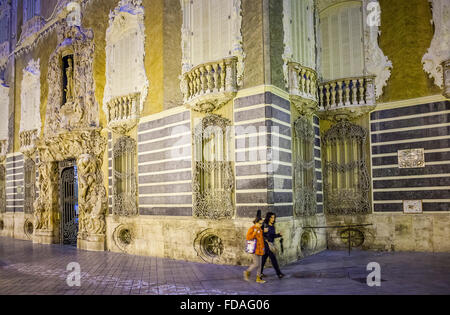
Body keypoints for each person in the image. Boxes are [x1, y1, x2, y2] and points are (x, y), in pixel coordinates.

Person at [243, 212, 266, 284]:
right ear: (256, 222)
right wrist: (254, 232)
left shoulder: (260, 229)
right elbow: (248, 237)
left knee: (260, 264)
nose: (261, 225)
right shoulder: (252, 229)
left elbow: (261, 239)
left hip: (260, 249)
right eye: (260, 223)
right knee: (256, 264)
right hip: (255, 249)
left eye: (261, 223)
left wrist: (263, 248)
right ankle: (247, 271)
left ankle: (258, 278)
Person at [261, 212, 285, 279]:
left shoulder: (272, 226)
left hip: (270, 244)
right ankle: (279, 274)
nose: (273, 219)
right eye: (271, 217)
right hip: (266, 244)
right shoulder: (265, 225)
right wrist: (264, 233)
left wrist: (278, 235)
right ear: (268, 218)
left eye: (274, 217)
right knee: (273, 259)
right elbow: (261, 234)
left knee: (263, 259)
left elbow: (272, 235)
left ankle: (260, 273)